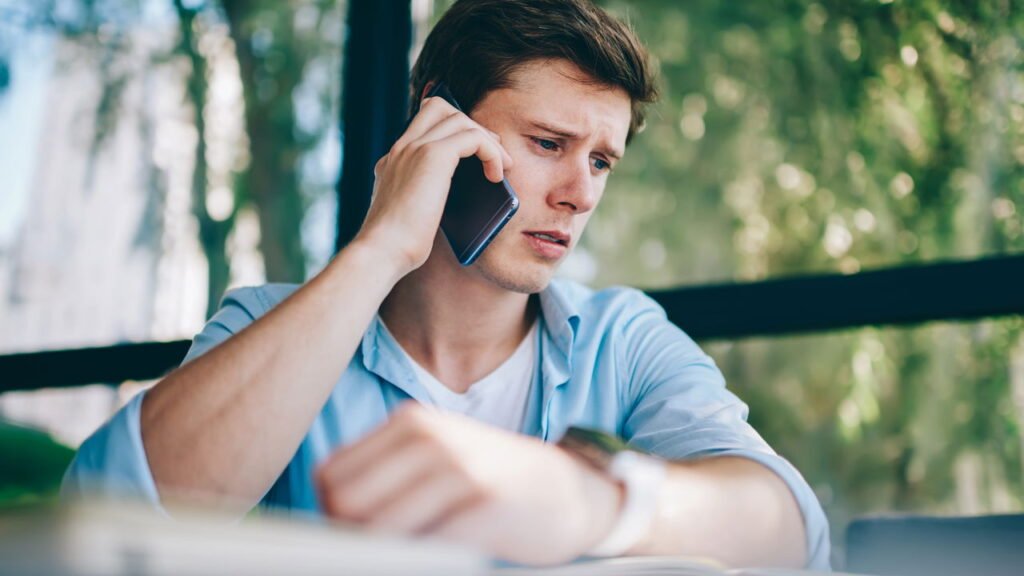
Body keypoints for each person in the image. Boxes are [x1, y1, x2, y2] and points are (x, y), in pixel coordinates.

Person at [64, 0, 829, 569]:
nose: (580, 193)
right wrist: (381, 248)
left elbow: (789, 529)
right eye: (547, 143)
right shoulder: (271, 324)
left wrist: (589, 502)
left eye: (601, 161)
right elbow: (100, 516)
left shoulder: (619, 341)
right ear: (439, 120)